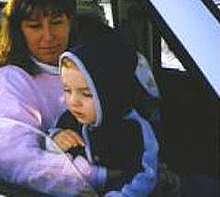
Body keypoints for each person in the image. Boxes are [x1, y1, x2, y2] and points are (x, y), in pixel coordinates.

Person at [0, 0, 101, 196]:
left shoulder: (87, 69)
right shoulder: (9, 81)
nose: (49, 37)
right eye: (34, 26)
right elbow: (19, 164)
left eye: (57, 22)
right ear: (18, 31)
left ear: (70, 22)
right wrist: (99, 177)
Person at [53, 24, 159, 197]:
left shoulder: (133, 128)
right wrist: (56, 137)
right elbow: (52, 135)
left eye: (87, 94)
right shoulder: (71, 118)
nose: (73, 102)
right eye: (67, 90)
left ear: (110, 92)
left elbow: (144, 177)